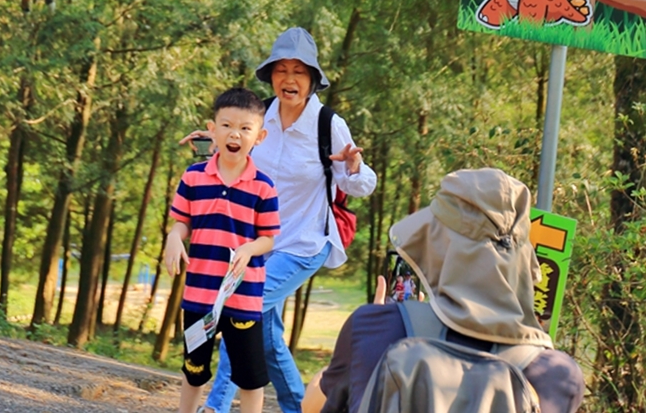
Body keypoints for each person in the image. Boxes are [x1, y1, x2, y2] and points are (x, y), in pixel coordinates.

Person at [306, 168, 584, 413]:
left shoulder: (372, 328)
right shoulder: (559, 375)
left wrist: (368, 334)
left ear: (436, 245)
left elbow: (312, 407)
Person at [202, 27, 377, 413]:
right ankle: (297, 408)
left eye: (299, 71)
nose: (289, 79)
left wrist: (354, 166)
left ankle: (215, 406)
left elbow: (363, 185)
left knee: (241, 306)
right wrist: (215, 141)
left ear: (313, 78)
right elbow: (235, 158)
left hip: (304, 244)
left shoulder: (327, 124)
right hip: (259, 245)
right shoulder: (258, 117)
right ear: (271, 76)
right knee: (266, 338)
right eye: (281, 70)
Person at [165, 87, 280, 413]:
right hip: (199, 295)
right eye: (227, 125)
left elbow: (269, 238)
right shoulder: (194, 177)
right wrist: (174, 236)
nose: (236, 134)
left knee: (249, 378)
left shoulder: (264, 186)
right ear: (212, 129)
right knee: (194, 370)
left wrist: (249, 249)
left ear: (259, 136)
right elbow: (181, 221)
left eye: (246, 128)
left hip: (243, 297)